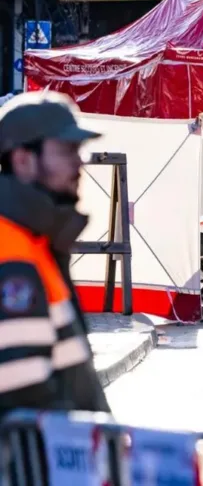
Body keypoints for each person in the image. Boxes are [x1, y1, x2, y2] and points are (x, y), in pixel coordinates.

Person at [0, 91, 111, 423]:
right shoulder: (12, 252)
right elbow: (24, 399)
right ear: (23, 160)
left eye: (78, 151)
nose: (79, 163)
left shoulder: (35, 241)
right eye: (65, 151)